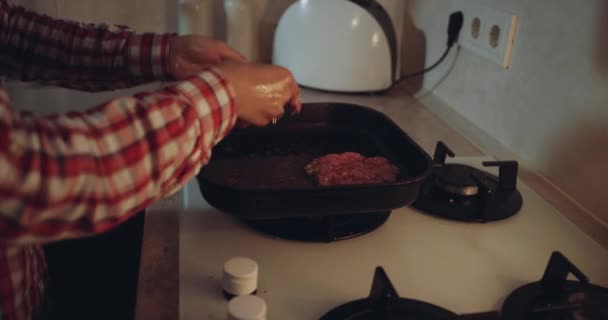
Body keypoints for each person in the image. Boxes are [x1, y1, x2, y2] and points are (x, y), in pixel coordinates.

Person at [0, 1, 302, 319]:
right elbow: (25, 174)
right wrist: (222, 98)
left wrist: (164, 53)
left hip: (28, 283)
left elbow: (12, 33)